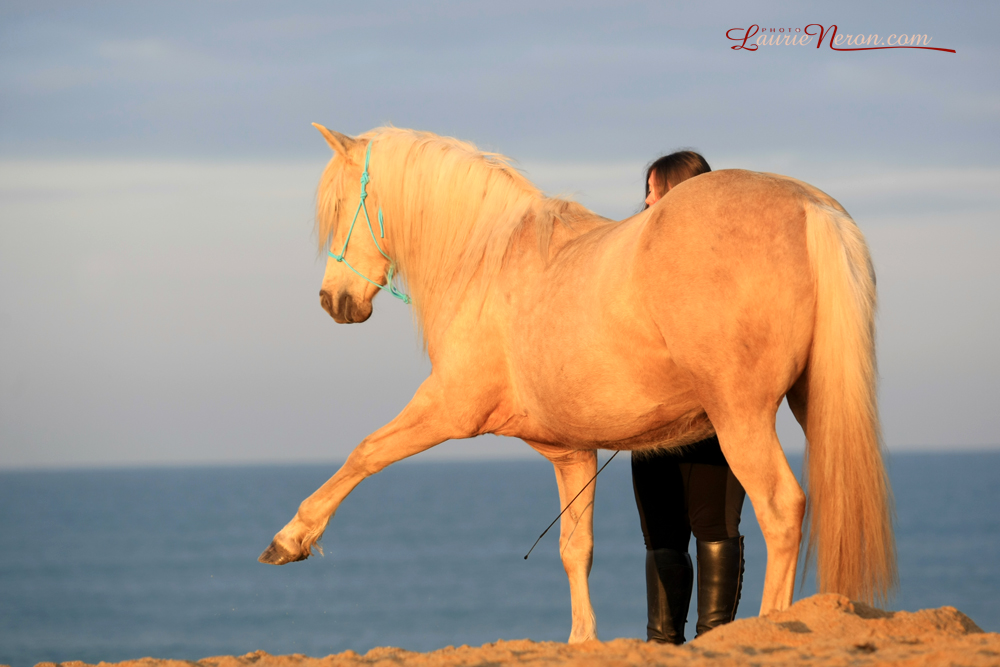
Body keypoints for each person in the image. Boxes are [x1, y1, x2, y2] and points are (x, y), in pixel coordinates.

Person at [633, 151, 747, 644]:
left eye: (653, 191)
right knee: (661, 538)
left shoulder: (728, 262)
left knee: (714, 531)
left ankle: (716, 643)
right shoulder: (631, 261)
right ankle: (662, 645)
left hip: (711, 422)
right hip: (650, 426)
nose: (644, 201)